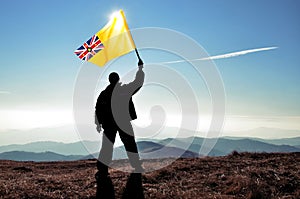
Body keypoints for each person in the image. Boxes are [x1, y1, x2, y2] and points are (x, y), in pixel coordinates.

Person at [95, 59, 145, 177]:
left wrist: (98, 124)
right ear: (118, 79)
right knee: (130, 144)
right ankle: (136, 165)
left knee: (107, 146)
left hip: (109, 124)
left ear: (109, 80)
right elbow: (138, 83)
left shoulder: (104, 94)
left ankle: (102, 168)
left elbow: (98, 109)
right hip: (123, 122)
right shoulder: (124, 90)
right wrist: (140, 69)